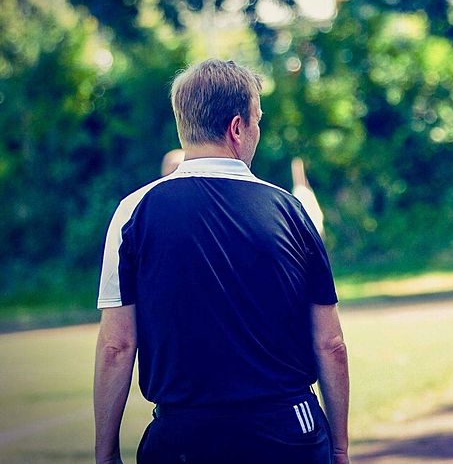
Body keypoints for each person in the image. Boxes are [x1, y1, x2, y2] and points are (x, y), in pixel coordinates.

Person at [94, 59, 350, 463]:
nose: (258, 131)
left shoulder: (133, 211)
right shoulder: (290, 210)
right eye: (257, 120)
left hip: (182, 437)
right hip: (287, 432)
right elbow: (330, 343)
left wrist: (106, 455)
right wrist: (339, 448)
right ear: (237, 128)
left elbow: (116, 345)